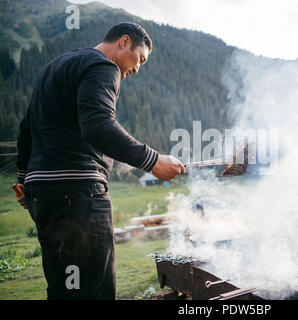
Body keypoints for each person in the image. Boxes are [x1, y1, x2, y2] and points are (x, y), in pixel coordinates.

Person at [14, 22, 186, 300]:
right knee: (94, 290)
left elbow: (26, 130)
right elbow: (97, 125)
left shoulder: (55, 67)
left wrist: (26, 181)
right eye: (140, 59)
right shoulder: (103, 66)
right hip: (78, 195)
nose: (137, 68)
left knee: (65, 290)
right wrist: (153, 160)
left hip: (44, 198)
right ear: (124, 42)